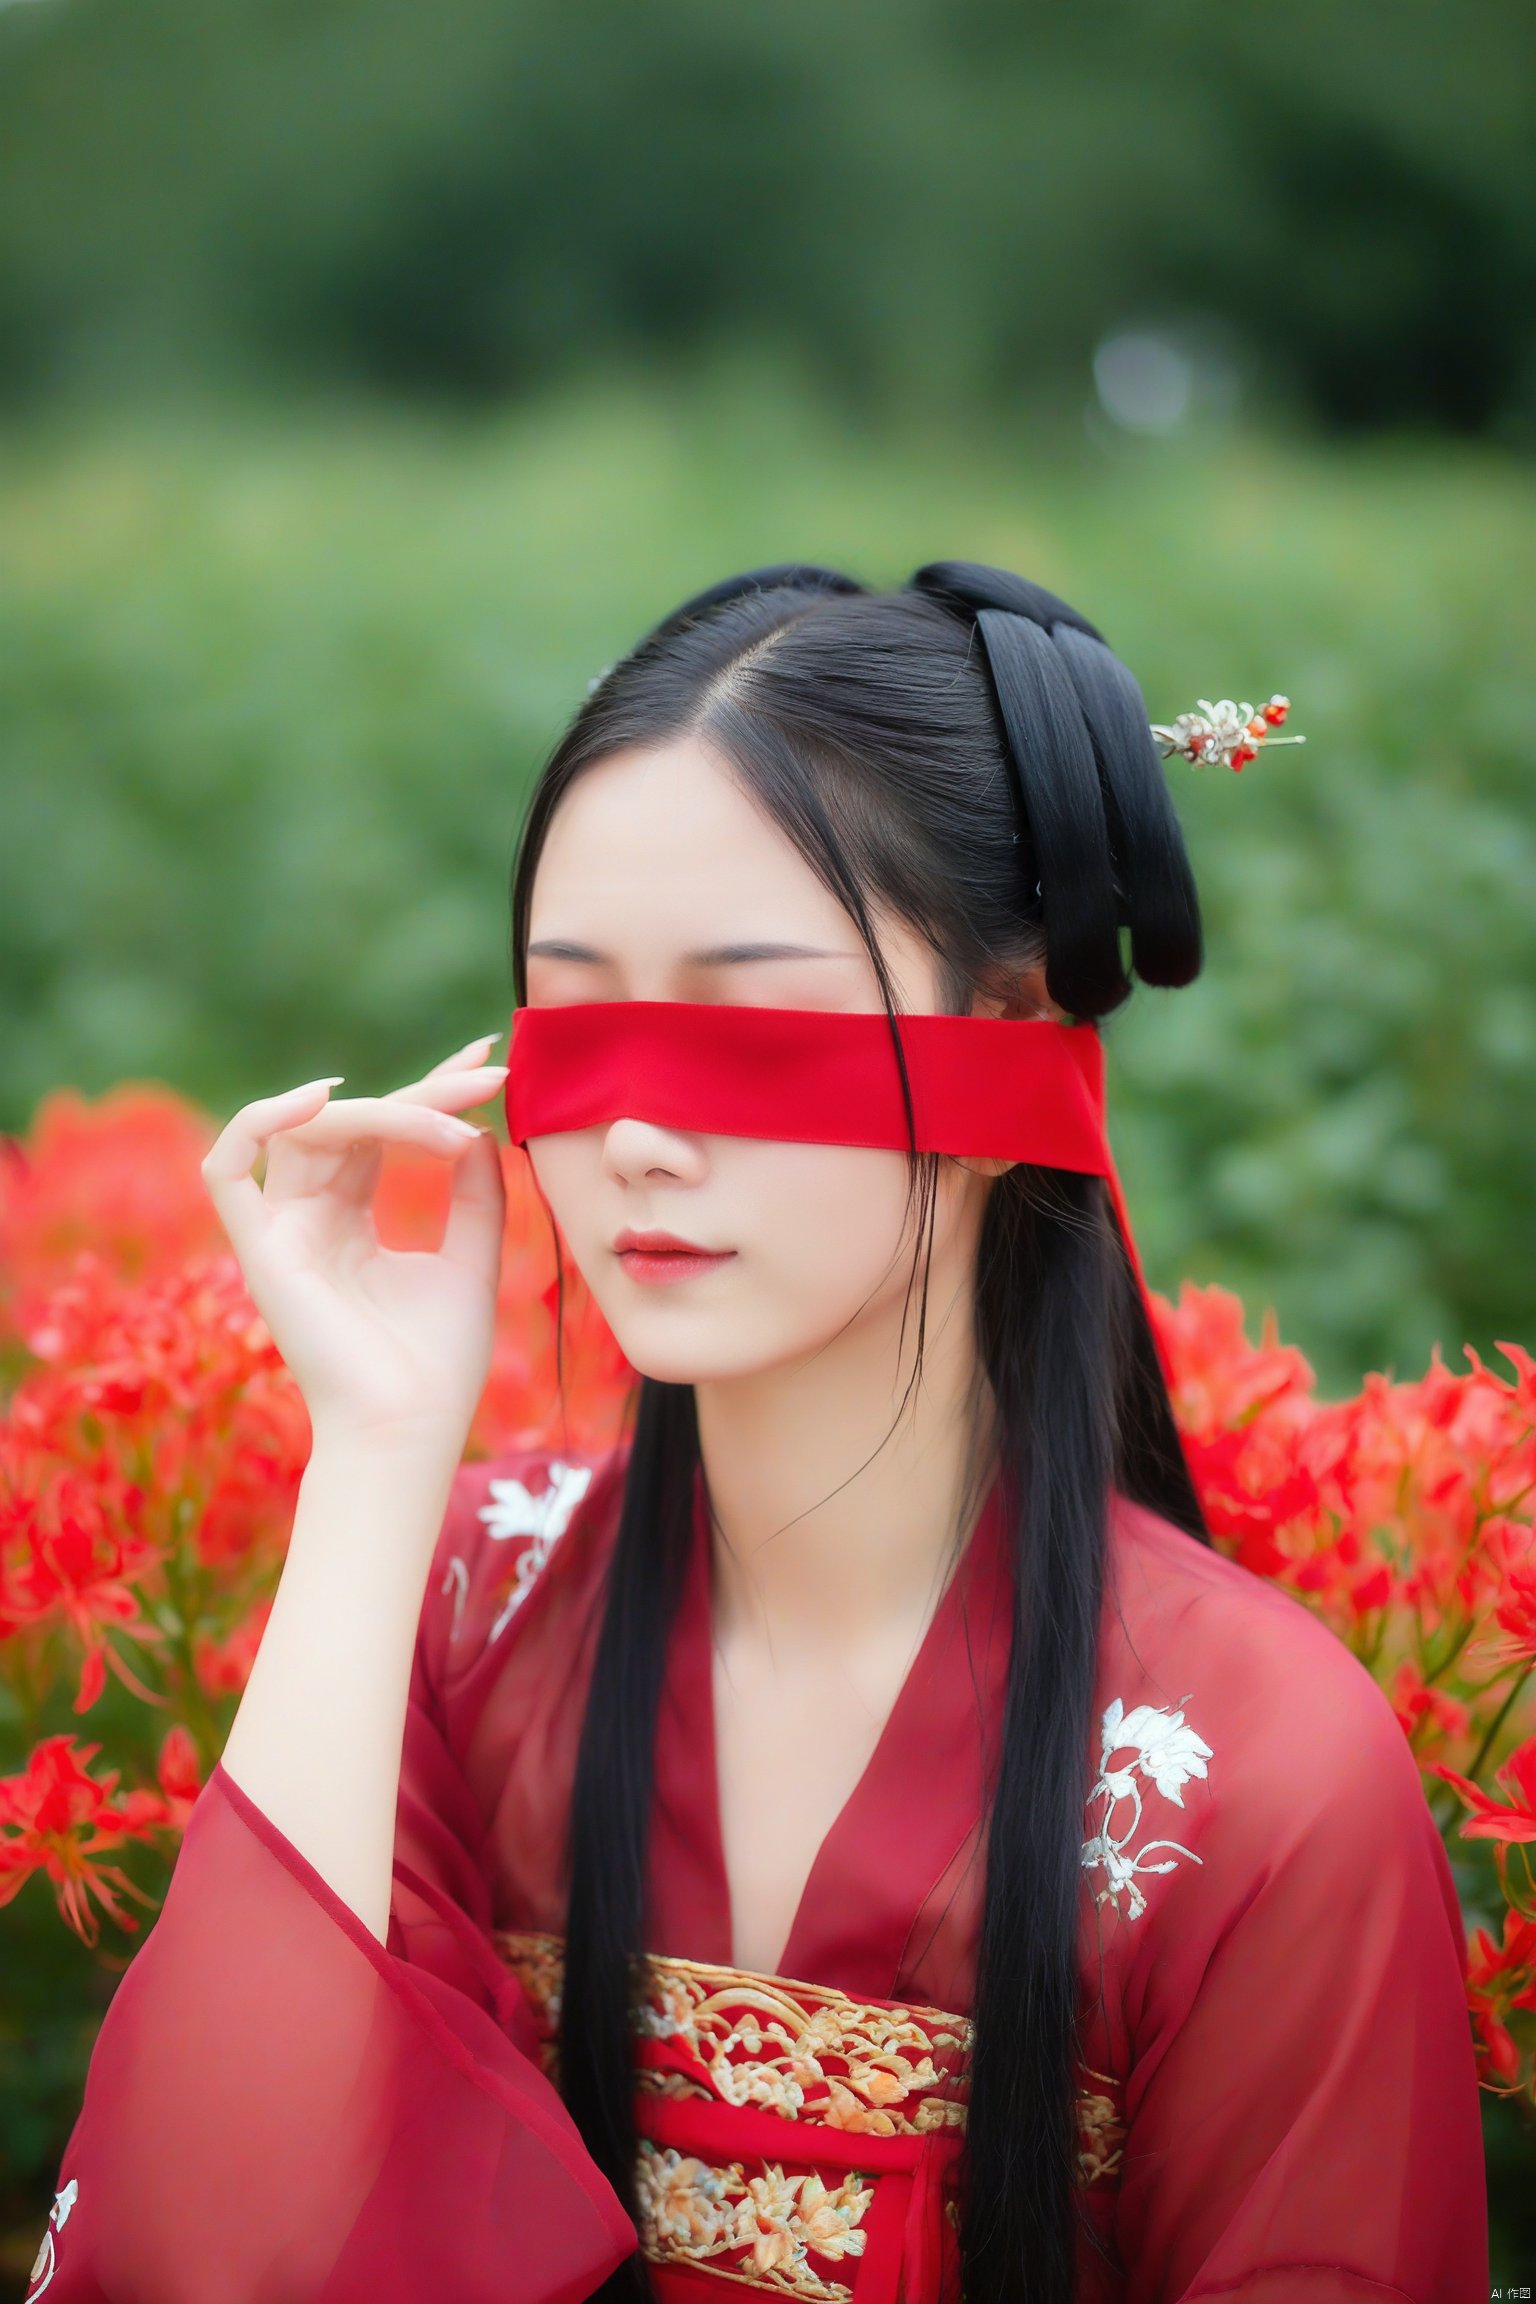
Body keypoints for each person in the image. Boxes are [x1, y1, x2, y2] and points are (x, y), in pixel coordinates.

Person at [29, 565, 1488, 2304]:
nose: (638, 1132)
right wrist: (374, 1454)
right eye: (582, 1015)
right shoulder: (468, 1614)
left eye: (752, 1020)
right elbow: (214, 2252)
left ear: (1015, 1035)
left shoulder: (1253, 1774)